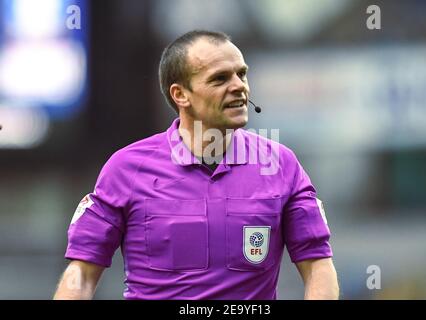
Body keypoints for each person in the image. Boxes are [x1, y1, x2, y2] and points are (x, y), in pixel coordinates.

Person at [54, 30, 339, 300]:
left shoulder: (280, 165)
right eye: (220, 79)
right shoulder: (126, 169)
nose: (239, 86)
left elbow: (318, 266)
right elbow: (82, 273)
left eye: (242, 74)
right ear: (181, 95)